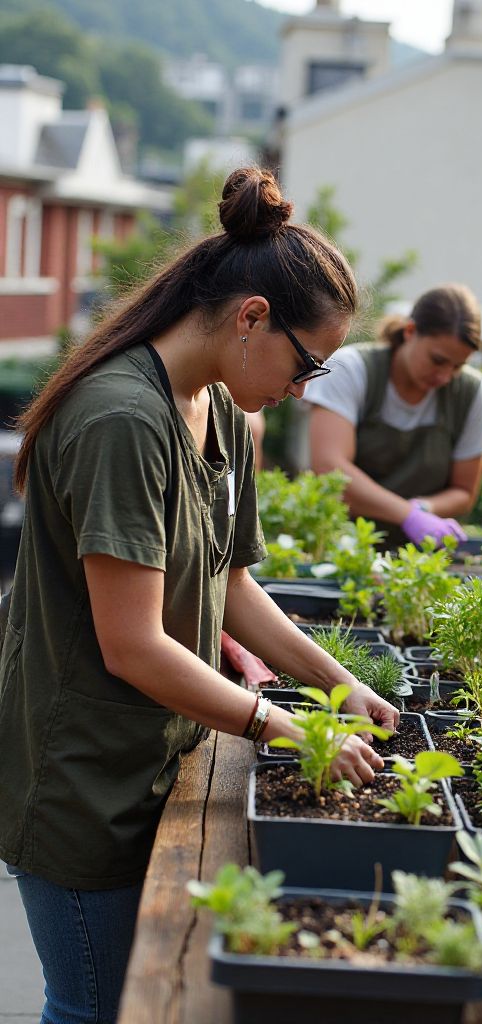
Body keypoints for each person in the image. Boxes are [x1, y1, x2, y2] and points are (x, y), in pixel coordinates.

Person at [0, 167, 400, 1024]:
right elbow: (132, 645)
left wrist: (340, 685)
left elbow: (232, 583)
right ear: (252, 317)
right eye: (307, 362)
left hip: (159, 757)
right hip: (83, 781)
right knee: (92, 1007)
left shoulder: (218, 407)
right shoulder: (122, 420)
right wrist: (283, 725)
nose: (305, 388)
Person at [305, 283, 482, 548]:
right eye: (437, 360)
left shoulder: (474, 394)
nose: (445, 376)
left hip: (421, 553)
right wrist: (408, 515)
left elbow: (464, 492)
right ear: (410, 331)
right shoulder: (350, 370)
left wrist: (425, 508)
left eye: (457, 366)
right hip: (341, 545)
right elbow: (330, 468)